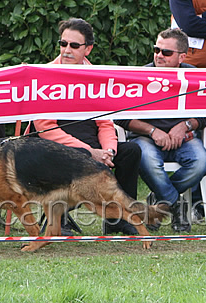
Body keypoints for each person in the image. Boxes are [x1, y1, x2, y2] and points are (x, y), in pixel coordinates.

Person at [32, 18, 142, 236]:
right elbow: (45, 128)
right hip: (55, 146)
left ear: (88, 49)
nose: (66, 50)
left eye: (74, 46)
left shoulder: (97, 75)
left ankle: (119, 219)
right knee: (71, 154)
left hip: (93, 145)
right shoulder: (44, 75)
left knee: (131, 152)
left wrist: (108, 152)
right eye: (63, 44)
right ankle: (57, 223)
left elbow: (105, 122)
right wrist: (90, 152)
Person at [115, 28, 206, 233]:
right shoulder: (139, 76)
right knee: (147, 159)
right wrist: (152, 131)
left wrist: (185, 125)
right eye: (156, 50)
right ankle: (175, 206)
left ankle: (160, 198)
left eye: (166, 52)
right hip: (146, 138)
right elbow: (120, 116)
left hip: (184, 138)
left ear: (182, 57)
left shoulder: (194, 77)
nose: (159, 55)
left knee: (201, 162)